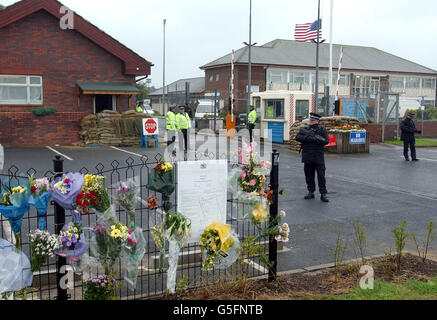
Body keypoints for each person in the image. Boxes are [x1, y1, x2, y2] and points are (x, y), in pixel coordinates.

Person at [295, 112, 330, 203]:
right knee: (309, 175)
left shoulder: (322, 130)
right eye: (310, 119)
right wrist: (308, 138)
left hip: (318, 155)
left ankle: (323, 193)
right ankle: (311, 191)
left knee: (321, 175)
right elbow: (298, 137)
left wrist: (315, 140)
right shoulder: (305, 129)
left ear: (317, 121)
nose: (311, 121)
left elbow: (326, 141)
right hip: (307, 155)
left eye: (313, 120)